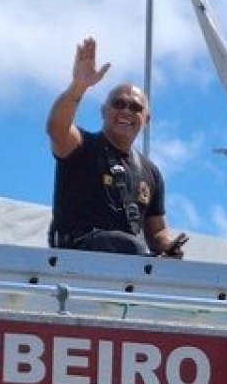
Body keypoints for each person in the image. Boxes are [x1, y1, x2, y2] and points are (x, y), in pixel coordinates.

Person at [45, 36, 185, 257]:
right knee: (129, 246)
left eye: (135, 107)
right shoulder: (83, 146)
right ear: (103, 112)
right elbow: (57, 129)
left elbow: (157, 231)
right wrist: (78, 87)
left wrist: (169, 245)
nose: (127, 111)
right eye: (118, 104)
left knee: (133, 248)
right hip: (76, 258)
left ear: (146, 119)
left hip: (125, 270)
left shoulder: (151, 173)